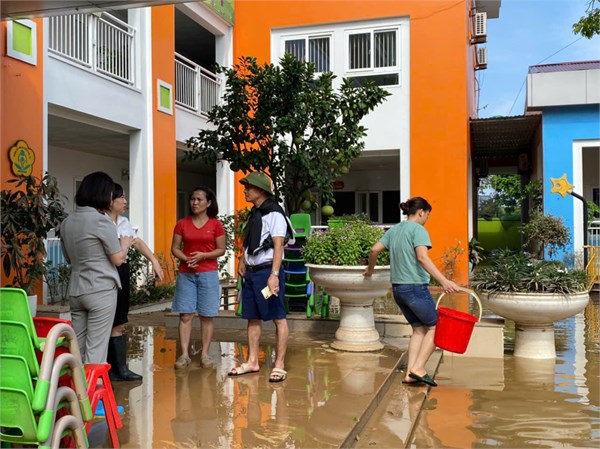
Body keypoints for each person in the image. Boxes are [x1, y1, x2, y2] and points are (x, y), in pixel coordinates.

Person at [363, 197, 459, 387]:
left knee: (419, 330)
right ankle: (418, 368)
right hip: (415, 288)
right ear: (422, 212)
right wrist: (443, 281)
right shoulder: (419, 230)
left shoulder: (394, 230)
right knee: (437, 327)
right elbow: (422, 258)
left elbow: (374, 250)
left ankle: (410, 374)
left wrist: (370, 270)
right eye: (428, 215)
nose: (427, 218)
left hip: (398, 289)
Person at [60, 171, 133, 364]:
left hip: (76, 290)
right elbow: (118, 259)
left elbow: (68, 258)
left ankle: (76, 383)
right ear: (102, 194)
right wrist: (125, 244)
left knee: (78, 348)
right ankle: (93, 384)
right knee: (96, 351)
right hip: (100, 289)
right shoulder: (102, 221)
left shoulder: (67, 222)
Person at [228, 172, 293, 383]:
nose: (245, 191)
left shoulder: (274, 213)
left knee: (278, 317)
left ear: (261, 190)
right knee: (252, 316)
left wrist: (274, 275)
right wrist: (242, 259)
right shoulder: (255, 213)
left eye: (249, 187)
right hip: (252, 272)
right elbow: (250, 240)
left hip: (267, 272)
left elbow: (278, 245)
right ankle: (252, 361)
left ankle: (279, 364)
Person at [106, 183, 164, 381]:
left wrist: (154, 261)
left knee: (120, 321)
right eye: (121, 197)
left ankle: (120, 369)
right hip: (106, 272)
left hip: (122, 270)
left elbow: (136, 241)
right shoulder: (100, 221)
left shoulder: (123, 222)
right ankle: (105, 369)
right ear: (110, 200)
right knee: (104, 321)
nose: (125, 201)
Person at [171, 186, 226, 369]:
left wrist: (203, 256)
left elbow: (221, 249)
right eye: (192, 199)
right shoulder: (182, 224)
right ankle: (184, 355)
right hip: (186, 274)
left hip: (208, 273)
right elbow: (175, 248)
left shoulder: (216, 225)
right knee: (185, 315)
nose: (194, 203)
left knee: (206, 316)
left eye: (199, 199)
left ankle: (205, 355)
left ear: (208, 203)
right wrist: (186, 259)